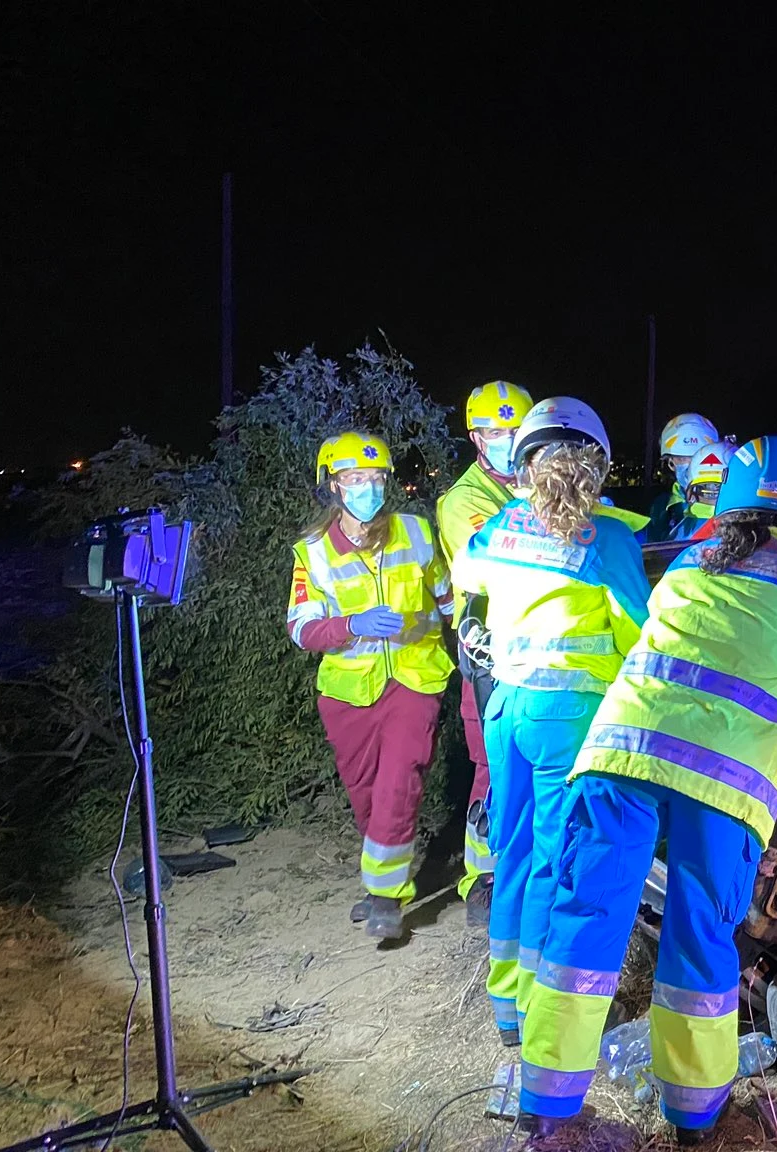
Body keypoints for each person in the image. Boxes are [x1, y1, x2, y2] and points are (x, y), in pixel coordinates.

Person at [517, 435, 777, 1146]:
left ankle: (546, 1102)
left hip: (621, 751)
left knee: (584, 914)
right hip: (724, 774)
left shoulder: (690, 558)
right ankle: (694, 1115)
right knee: (700, 935)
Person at [451, 397, 653, 1050]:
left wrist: (479, 624)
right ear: (596, 464)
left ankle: (506, 1005)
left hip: (506, 709)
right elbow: (638, 638)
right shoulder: (610, 539)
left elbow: (466, 579)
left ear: (524, 462)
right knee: (553, 863)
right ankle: (541, 1006)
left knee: (509, 855)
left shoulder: (501, 524)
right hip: (567, 722)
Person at [286, 431, 456, 941]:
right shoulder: (312, 553)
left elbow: (448, 597)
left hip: (416, 675)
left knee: (399, 780)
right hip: (348, 693)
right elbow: (300, 628)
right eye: (353, 479)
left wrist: (470, 639)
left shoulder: (417, 532)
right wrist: (352, 625)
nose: (366, 488)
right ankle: (381, 873)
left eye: (374, 477)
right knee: (366, 794)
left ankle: (385, 897)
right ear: (332, 487)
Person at [436, 380, 536, 929]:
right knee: (492, 765)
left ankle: (525, 868)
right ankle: (483, 879)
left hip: (537, 641)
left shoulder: (531, 486)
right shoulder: (465, 501)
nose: (508, 440)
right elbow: (504, 554)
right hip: (488, 647)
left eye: (516, 430)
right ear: (477, 437)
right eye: (497, 432)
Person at [649, 412, 720, 539]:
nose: (691, 466)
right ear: (671, 463)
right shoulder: (661, 507)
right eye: (682, 459)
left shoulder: (729, 500)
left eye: (697, 457)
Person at [667, 440, 729, 542]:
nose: (713, 490)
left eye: (718, 487)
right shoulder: (752, 528)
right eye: (706, 487)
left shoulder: (682, 531)